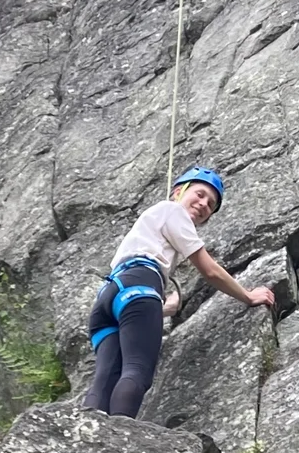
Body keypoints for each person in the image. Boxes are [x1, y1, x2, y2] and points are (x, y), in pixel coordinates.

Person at [85, 167, 276, 419]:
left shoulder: (149, 225)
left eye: (210, 204)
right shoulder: (172, 210)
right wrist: (248, 295)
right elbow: (210, 271)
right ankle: (119, 442)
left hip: (109, 298)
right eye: (199, 194)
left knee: (104, 380)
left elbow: (129, 304)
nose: (203, 204)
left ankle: (83, 436)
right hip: (139, 286)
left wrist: (162, 309)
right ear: (178, 191)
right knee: (136, 370)